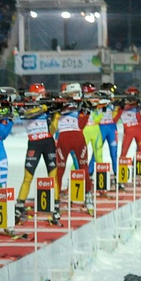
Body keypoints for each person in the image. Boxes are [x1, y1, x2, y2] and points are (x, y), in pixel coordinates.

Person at [14, 83, 59, 225]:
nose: (43, 96)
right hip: (34, 143)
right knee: (28, 177)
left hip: (48, 142)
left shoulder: (45, 105)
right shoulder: (24, 106)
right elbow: (26, 114)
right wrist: (44, 107)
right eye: (41, 93)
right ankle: (19, 206)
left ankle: (56, 205)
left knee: (53, 176)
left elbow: (53, 130)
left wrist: (55, 114)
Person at [53, 83, 94, 214]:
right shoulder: (59, 104)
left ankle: (88, 196)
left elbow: (81, 125)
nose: (73, 96)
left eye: (75, 93)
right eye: (70, 94)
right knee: (60, 169)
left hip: (78, 138)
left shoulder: (81, 104)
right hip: (63, 139)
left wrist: (86, 112)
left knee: (83, 167)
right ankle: (56, 199)